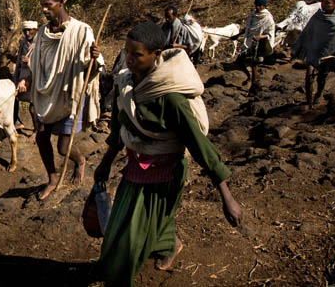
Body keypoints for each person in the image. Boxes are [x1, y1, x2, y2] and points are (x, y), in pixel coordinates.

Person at [94, 22, 241, 286]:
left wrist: (225, 195)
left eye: (137, 54)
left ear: (156, 55)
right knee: (124, 224)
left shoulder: (170, 98)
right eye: (126, 51)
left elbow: (198, 144)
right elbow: (119, 128)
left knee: (126, 243)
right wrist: (105, 163)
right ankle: (169, 244)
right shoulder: (124, 84)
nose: (129, 58)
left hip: (165, 173)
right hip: (134, 169)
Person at [17, 0, 104, 200]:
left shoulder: (81, 31)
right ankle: (53, 179)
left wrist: (94, 58)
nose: (44, 10)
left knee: (64, 148)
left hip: (69, 94)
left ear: (61, 2)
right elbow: (36, 62)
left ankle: (80, 160)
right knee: (41, 138)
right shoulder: (43, 33)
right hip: (46, 94)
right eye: (42, 6)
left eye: (48, 5)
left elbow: (92, 67)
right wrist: (26, 78)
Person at [291, 0, 335, 108]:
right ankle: (309, 102)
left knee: (321, 78)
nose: (323, 5)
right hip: (313, 51)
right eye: (323, 2)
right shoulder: (317, 17)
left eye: (327, 3)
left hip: (328, 54)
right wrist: (299, 47)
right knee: (309, 76)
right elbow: (307, 32)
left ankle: (318, 94)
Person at [237, 0, 275, 93]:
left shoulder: (268, 19)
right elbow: (248, 28)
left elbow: (269, 35)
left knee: (255, 64)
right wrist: (237, 35)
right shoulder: (252, 15)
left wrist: (260, 37)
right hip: (249, 42)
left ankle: (253, 87)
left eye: (259, 6)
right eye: (256, 5)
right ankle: (250, 77)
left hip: (260, 45)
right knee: (240, 61)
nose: (257, 7)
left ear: (264, 6)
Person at [13, 20, 38, 131]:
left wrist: (30, 61)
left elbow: (45, 62)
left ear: (35, 30)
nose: (27, 33)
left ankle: (37, 130)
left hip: (36, 77)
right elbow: (20, 61)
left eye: (30, 30)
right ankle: (15, 122)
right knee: (15, 98)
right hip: (23, 76)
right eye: (25, 30)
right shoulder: (23, 42)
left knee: (33, 106)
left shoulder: (41, 42)